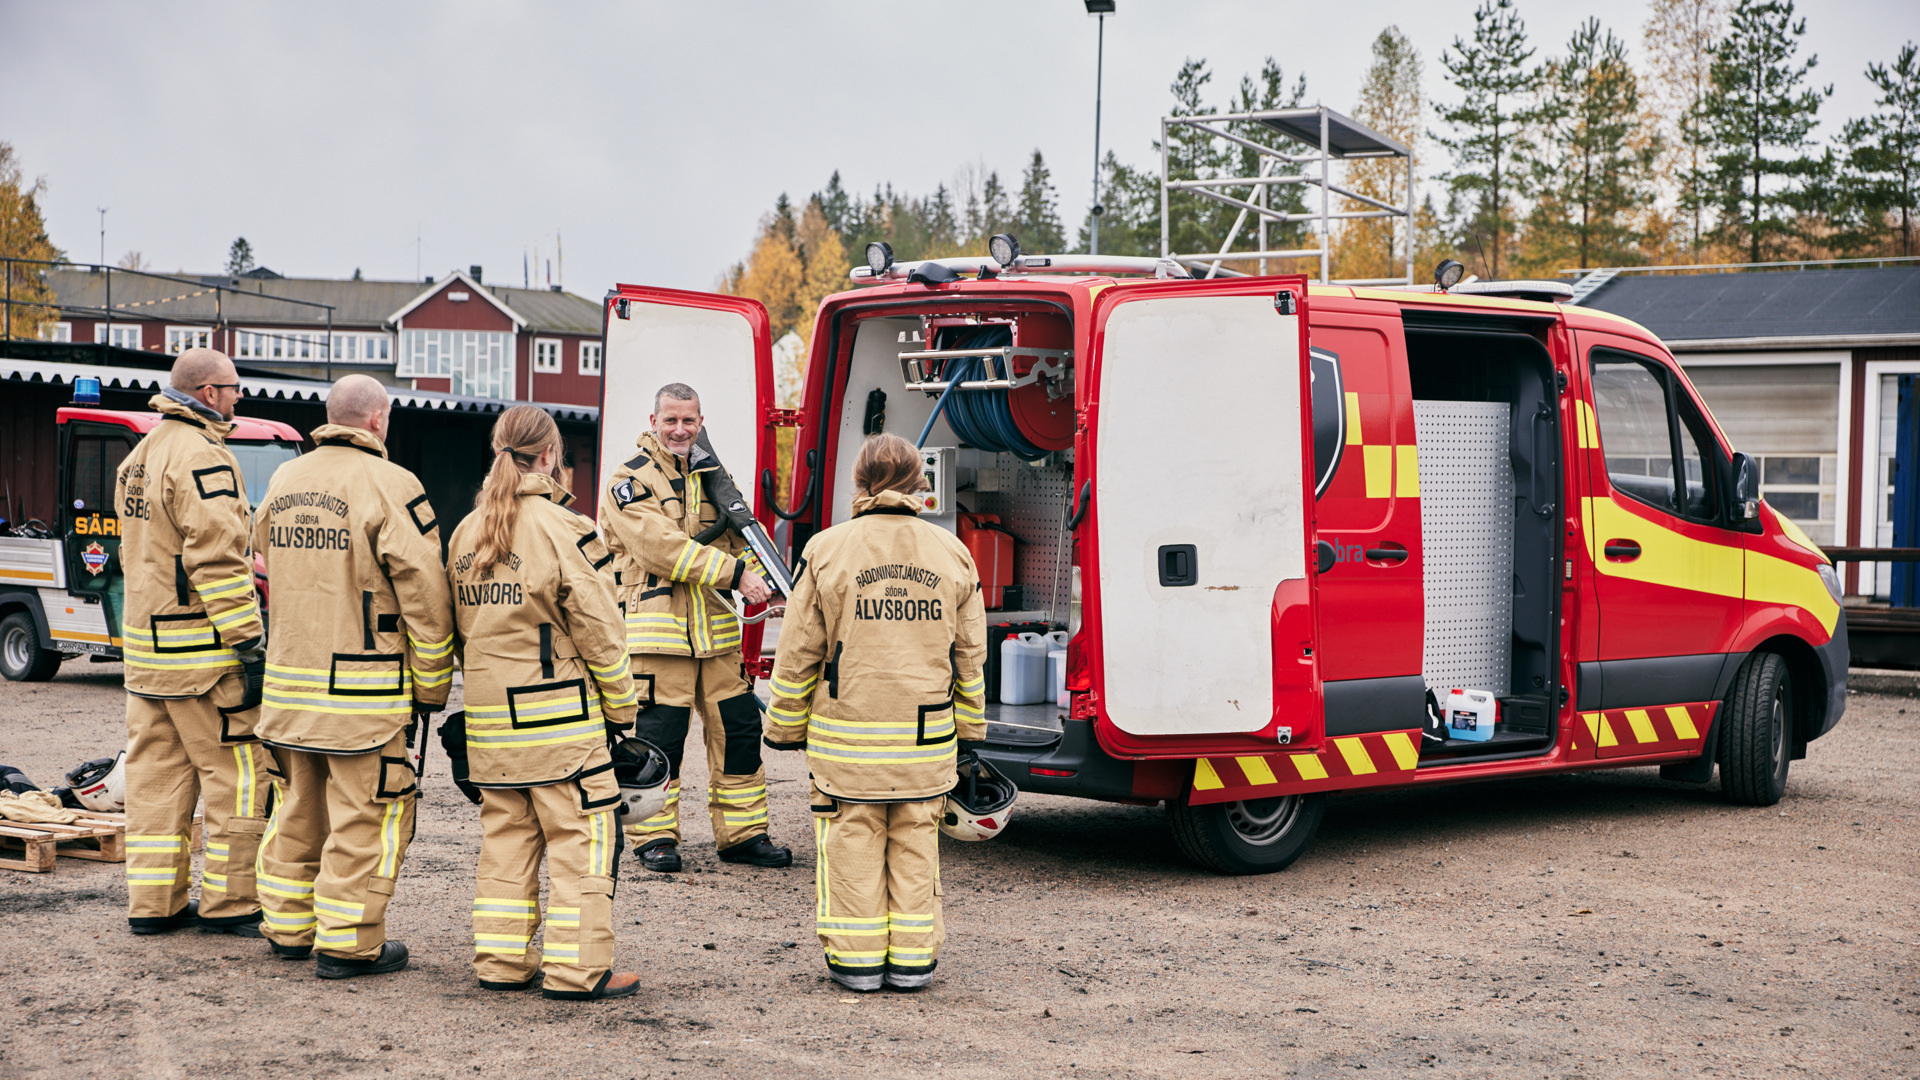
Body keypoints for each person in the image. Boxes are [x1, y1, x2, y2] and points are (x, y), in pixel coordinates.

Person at [764, 433, 987, 992]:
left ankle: (858, 965)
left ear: (859, 482)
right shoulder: (953, 552)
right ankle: (913, 964)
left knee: (852, 847)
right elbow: (969, 654)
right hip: (925, 741)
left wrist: (785, 724)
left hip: (848, 744)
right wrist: (970, 728)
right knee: (915, 845)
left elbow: (798, 651)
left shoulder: (826, 549)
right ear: (920, 484)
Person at [251, 375, 455, 978]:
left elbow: (258, 545)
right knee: (366, 814)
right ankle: (347, 943)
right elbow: (425, 593)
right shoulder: (394, 485)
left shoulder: (288, 477)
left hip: (288, 691)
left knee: (296, 811)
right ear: (378, 419)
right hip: (363, 696)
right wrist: (433, 684)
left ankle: (287, 928)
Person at [447, 404, 643, 1000]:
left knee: (507, 840)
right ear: (551, 456)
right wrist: (623, 710)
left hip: (489, 723)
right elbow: (600, 629)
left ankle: (501, 963)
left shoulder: (466, 531)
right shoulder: (566, 529)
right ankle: (577, 971)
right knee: (583, 839)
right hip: (560, 725)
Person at [114, 347, 275, 937]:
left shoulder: (139, 456)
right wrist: (249, 644)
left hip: (147, 659)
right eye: (233, 388)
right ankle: (231, 904)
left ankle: (153, 905)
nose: (238, 398)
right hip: (203, 660)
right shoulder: (204, 458)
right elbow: (217, 560)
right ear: (208, 393)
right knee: (239, 775)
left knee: (156, 781)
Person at [598, 383, 790, 873]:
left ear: (700, 423)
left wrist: (769, 578)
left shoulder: (713, 476)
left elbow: (743, 537)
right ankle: (654, 837)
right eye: (670, 421)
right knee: (660, 742)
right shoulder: (630, 481)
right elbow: (660, 549)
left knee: (741, 735)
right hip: (657, 639)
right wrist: (735, 575)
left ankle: (743, 836)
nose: (680, 430)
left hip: (717, 638)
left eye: (689, 421)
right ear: (653, 421)